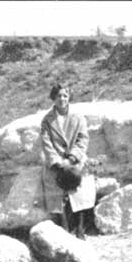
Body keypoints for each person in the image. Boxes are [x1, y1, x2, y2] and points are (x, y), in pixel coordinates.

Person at [40, 84, 94, 239]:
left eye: (65, 96)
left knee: (82, 182)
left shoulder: (78, 117)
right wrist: (57, 162)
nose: (62, 99)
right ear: (54, 98)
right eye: (59, 96)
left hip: (74, 158)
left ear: (69, 97)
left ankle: (80, 226)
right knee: (53, 182)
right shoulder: (47, 120)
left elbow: (83, 139)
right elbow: (46, 143)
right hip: (56, 160)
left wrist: (72, 158)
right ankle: (63, 224)